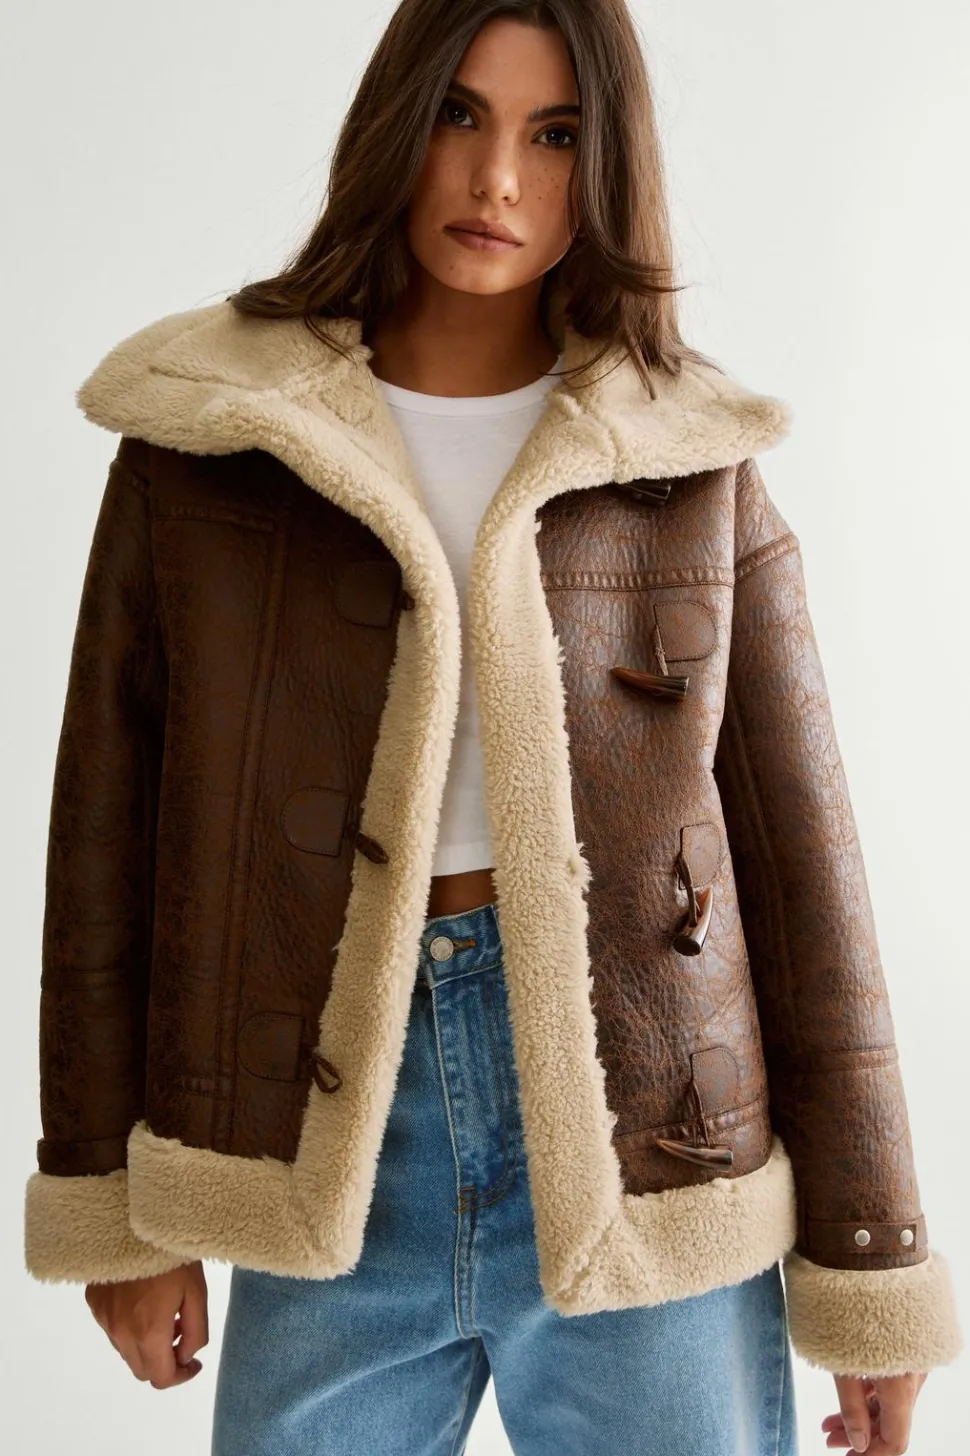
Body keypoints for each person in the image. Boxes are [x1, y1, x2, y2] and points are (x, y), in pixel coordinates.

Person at [23, 2, 962, 1453]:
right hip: (327, 1148)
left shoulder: (687, 457)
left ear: (609, 166)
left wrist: (870, 1266)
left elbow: (807, 882)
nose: (498, 180)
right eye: (460, 115)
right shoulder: (215, 438)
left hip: (649, 1155)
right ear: (395, 122)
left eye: (555, 134)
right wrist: (112, 1204)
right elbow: (104, 830)